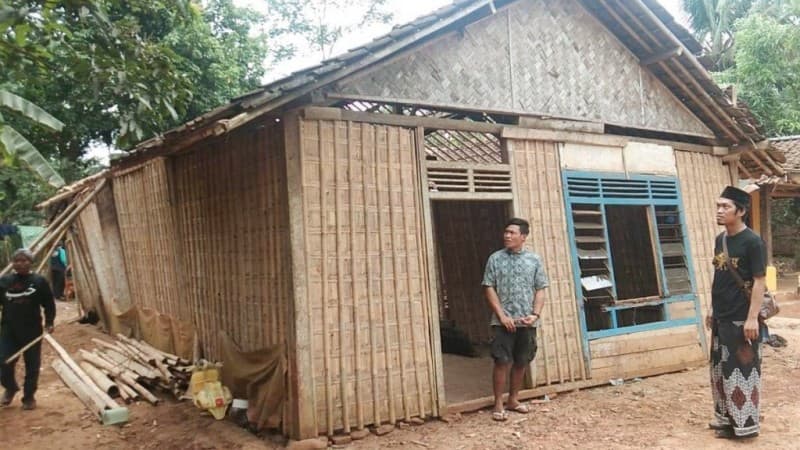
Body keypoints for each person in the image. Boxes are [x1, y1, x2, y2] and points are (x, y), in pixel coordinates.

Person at [706, 186, 766, 439]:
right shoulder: (721, 240)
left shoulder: (753, 242)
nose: (720, 211)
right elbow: (719, 275)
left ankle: (746, 427)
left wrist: (752, 318)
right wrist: (711, 309)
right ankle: (726, 420)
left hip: (742, 318)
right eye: (718, 205)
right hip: (721, 316)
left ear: (740, 211)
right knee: (720, 370)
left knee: (743, 369)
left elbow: (760, 281)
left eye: (726, 207)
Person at [482, 218, 548, 421]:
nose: (507, 236)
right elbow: (488, 287)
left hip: (526, 322)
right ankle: (498, 404)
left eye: (512, 233)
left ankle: (513, 400)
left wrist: (535, 314)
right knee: (502, 361)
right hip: (503, 322)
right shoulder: (495, 259)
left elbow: (540, 288)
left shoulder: (534, 260)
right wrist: (502, 316)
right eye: (506, 232)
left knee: (521, 361)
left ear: (523, 236)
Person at [0, 248, 56, 410]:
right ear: (12, 263)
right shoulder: (4, 282)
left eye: (24, 260)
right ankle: (10, 388)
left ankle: (29, 397)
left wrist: (49, 323)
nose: (20, 263)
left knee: (32, 365)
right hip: (8, 331)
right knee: (3, 361)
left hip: (32, 332)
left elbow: (49, 304)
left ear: (31, 262)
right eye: (17, 260)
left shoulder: (39, 281)